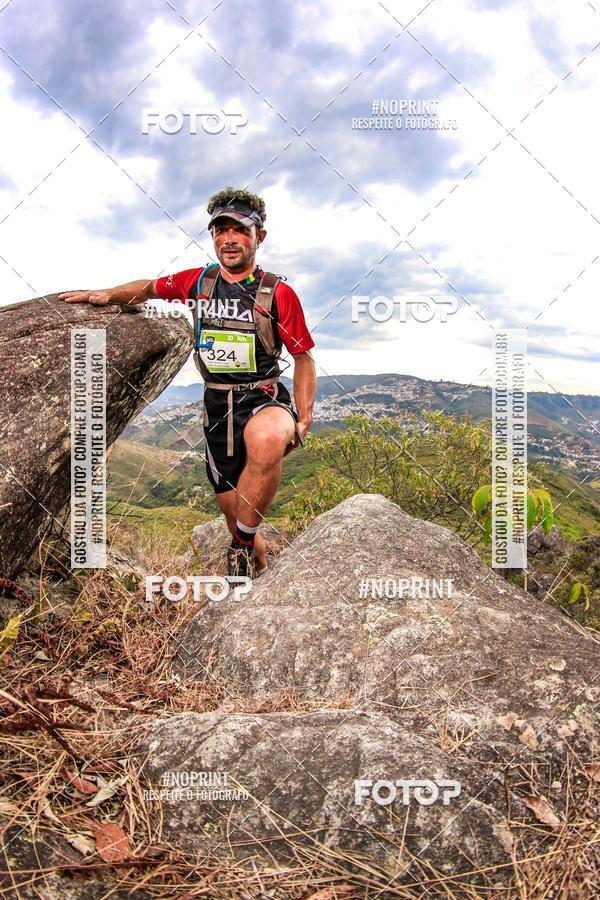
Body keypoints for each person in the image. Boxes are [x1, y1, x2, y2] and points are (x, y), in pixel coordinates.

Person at [59, 187, 317, 577]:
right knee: (237, 518)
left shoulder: (278, 294)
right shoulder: (198, 282)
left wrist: (304, 417)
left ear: (258, 237)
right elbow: (149, 288)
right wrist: (109, 294)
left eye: (240, 230)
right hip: (217, 409)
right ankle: (257, 572)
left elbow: (303, 357)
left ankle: (242, 549)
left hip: (263, 398)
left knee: (265, 445)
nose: (229, 239)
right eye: (220, 229)